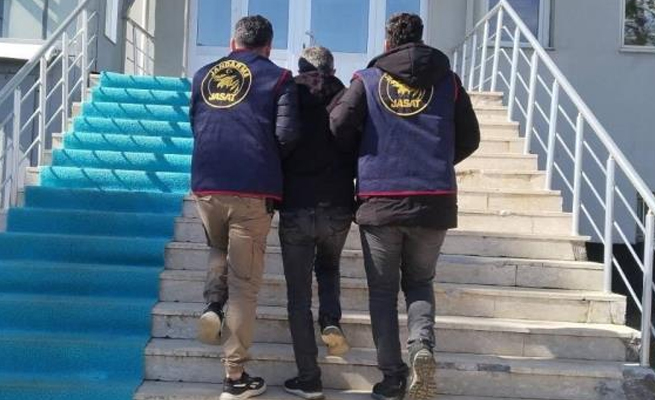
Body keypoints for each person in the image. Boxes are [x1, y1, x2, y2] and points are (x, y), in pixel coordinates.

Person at [330, 13, 481, 400]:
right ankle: (421, 348)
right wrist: (437, 163)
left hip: (381, 201)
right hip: (434, 201)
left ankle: (392, 378)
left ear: (387, 43)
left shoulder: (367, 80)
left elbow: (338, 123)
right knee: (419, 282)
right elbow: (470, 137)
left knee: (382, 293)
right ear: (422, 39)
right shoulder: (448, 82)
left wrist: (363, 159)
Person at [189, 15, 299, 400]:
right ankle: (234, 377)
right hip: (251, 188)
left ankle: (211, 305)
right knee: (245, 286)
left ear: (232, 43)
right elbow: (287, 134)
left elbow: (196, 123)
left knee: (217, 248)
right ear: (268, 47)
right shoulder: (279, 79)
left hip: (206, 184)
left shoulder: (202, 75)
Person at [279, 46, 356, 400]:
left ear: (299, 69)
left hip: (296, 204)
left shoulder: (288, 96)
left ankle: (309, 378)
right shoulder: (347, 97)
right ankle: (330, 320)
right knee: (329, 266)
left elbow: (280, 139)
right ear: (333, 69)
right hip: (337, 204)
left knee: (298, 298)